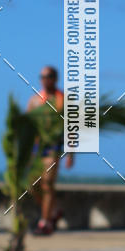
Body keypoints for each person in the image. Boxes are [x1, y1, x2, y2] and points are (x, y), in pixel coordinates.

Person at [27, 65, 73, 235]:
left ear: (55, 78)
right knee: (33, 185)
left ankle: (45, 222)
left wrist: (71, 153)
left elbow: (71, 128)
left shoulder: (63, 100)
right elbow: (28, 127)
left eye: (48, 76)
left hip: (54, 146)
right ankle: (54, 212)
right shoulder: (35, 100)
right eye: (42, 76)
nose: (45, 79)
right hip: (36, 148)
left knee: (47, 184)